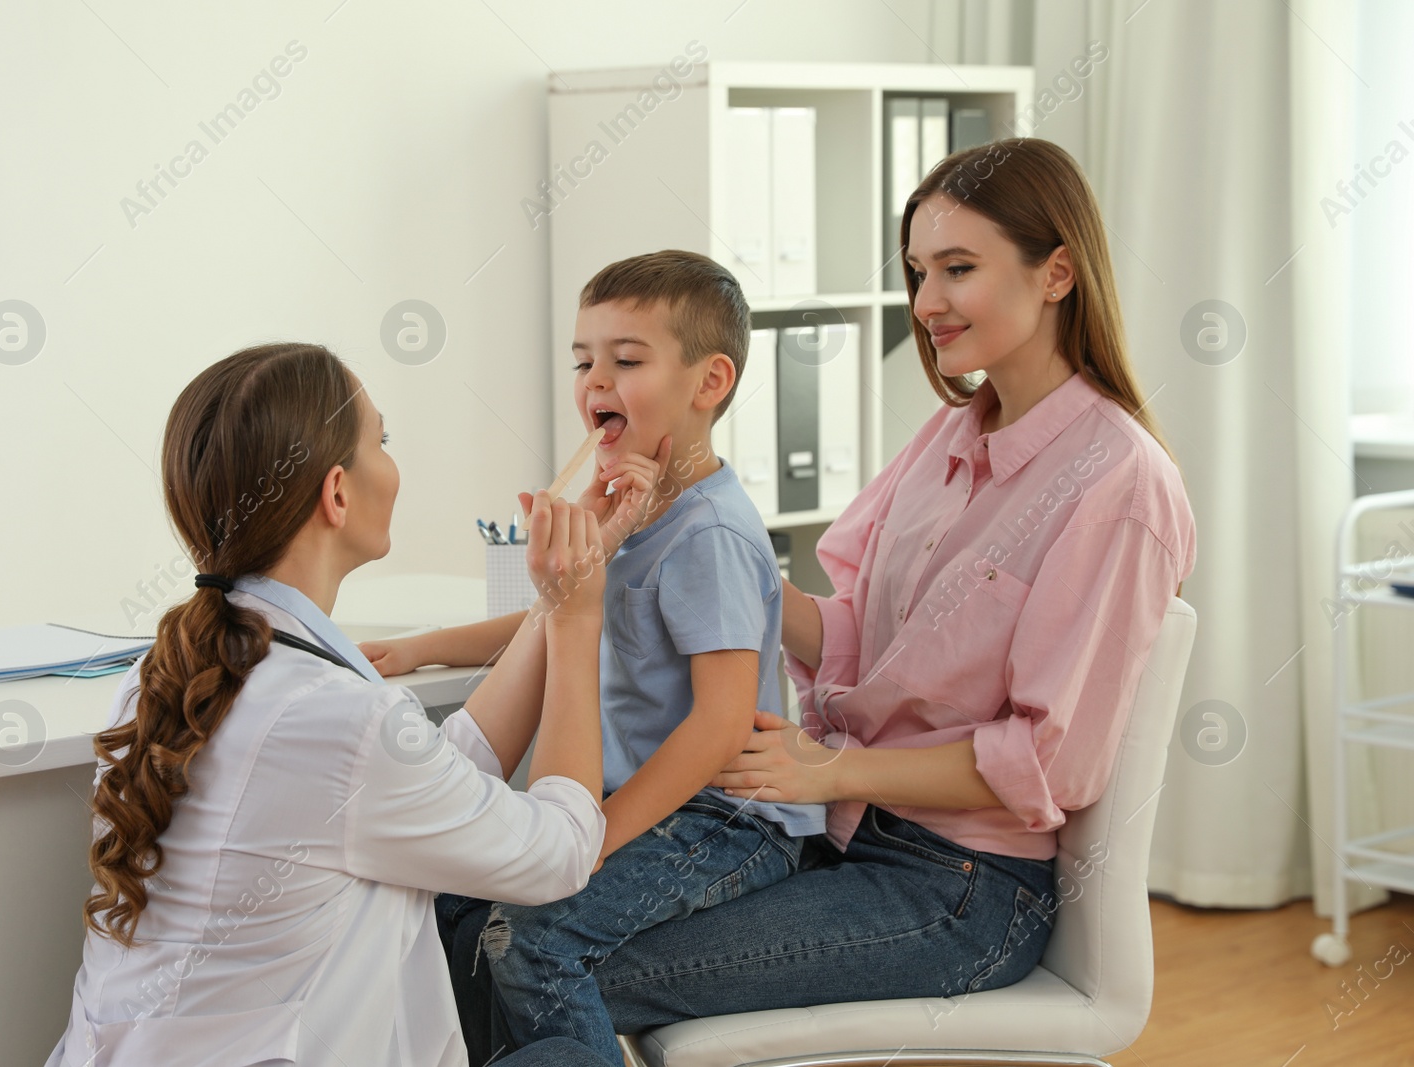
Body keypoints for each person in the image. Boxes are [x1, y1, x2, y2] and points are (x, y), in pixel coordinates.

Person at [456, 137, 1198, 1039]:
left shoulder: (1119, 480)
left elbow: (1051, 762)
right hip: (837, 832)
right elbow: (859, 638)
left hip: (957, 888)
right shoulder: (949, 435)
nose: (925, 303)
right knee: (473, 928)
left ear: (1057, 273)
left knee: (532, 955)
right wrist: (690, 537)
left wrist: (835, 765)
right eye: (919, 270)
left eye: (957, 269)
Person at [44, 343, 651, 1067]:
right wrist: (580, 619)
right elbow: (560, 850)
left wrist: (557, 596)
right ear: (336, 492)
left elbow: (433, 771)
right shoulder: (339, 719)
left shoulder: (169, 674)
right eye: (381, 441)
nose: (393, 463)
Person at [366, 250, 826, 1065]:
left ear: (709, 381)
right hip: (647, 803)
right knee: (448, 906)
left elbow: (721, 724)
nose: (595, 382)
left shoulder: (710, 533)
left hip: (726, 821)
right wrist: (423, 646)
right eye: (584, 361)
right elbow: (566, 606)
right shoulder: (641, 505)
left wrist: (596, 835)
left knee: (530, 943)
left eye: (626, 359)